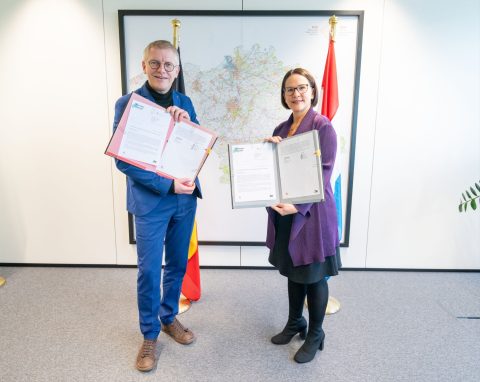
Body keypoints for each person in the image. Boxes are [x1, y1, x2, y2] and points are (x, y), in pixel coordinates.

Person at [113, 40, 201, 372]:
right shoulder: (128, 104)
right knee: (149, 271)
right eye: (155, 63)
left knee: (177, 263)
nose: (162, 69)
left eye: (168, 65)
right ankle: (149, 334)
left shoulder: (185, 101)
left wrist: (185, 123)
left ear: (177, 71)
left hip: (183, 199)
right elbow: (124, 160)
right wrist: (165, 184)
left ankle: (168, 317)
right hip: (151, 202)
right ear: (144, 65)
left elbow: (194, 147)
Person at [264, 68, 341, 364]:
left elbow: (324, 174)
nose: (295, 94)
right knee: (294, 271)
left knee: (313, 276)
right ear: (283, 96)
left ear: (311, 91)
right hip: (286, 212)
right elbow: (276, 171)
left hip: (312, 215)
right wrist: (265, 153)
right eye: (289, 89)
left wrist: (298, 206)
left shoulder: (323, 127)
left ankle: (316, 333)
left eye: (301, 88)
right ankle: (295, 322)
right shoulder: (281, 128)